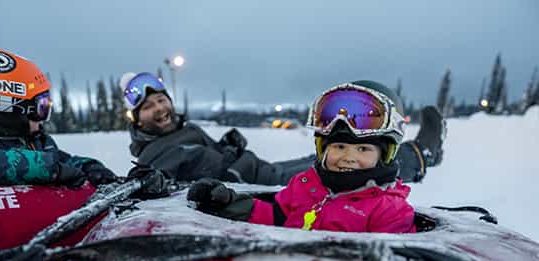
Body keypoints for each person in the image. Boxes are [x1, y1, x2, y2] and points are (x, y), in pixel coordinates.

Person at [122, 72, 445, 185]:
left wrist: (226, 146)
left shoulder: (182, 129)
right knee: (343, 169)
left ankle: (403, 149)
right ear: (136, 120)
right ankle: (419, 155)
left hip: (256, 169)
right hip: (254, 185)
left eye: (161, 100)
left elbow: (200, 156)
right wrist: (223, 168)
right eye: (148, 108)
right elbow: (167, 180)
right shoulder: (153, 154)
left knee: (328, 153)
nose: (160, 109)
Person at [187, 81, 417, 234]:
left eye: (363, 149)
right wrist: (230, 204)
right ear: (322, 149)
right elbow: (274, 217)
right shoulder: (305, 185)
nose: (349, 157)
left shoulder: (389, 210)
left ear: (385, 154)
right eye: (339, 146)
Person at [0, 48, 116, 187]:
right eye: (40, 108)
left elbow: (61, 160)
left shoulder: (32, 139)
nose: (41, 119)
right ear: (2, 111)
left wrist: (88, 167)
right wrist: (49, 169)